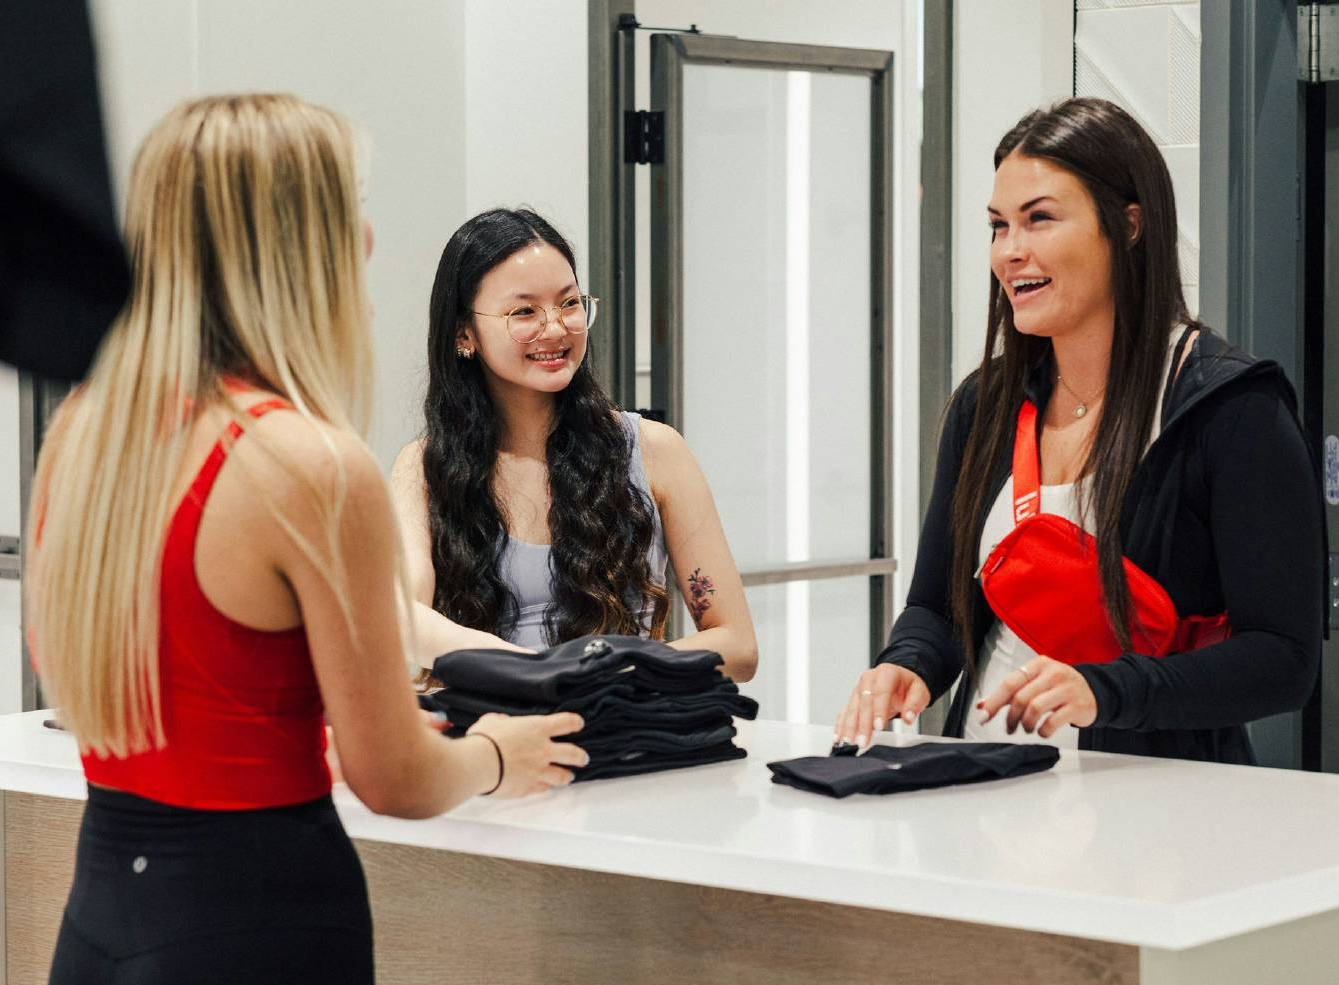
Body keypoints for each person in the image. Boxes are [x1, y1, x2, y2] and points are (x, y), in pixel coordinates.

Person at [27, 95, 585, 985]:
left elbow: (155, 685)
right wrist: (497, 757)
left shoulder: (88, 431)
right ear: (294, 242)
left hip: (100, 922)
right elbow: (396, 776)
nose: (367, 239)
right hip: (256, 929)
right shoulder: (307, 466)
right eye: (348, 208)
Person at [835, 97, 1322, 763]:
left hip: (1153, 824)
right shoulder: (985, 406)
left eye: (1039, 220)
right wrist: (908, 664)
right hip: (979, 795)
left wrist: (1104, 691)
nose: (1011, 251)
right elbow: (939, 607)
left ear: (1126, 227)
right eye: (999, 226)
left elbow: (1283, 660)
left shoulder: (1231, 409)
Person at [390, 208, 758, 681]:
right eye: (524, 311)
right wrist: (540, 675)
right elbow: (408, 618)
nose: (556, 328)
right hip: (490, 741)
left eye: (568, 303)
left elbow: (737, 645)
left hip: (620, 732)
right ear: (465, 332)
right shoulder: (423, 466)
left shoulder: (653, 450)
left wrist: (600, 674)